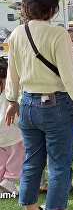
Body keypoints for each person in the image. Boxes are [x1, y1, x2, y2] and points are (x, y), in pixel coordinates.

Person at [4, 0, 73, 210]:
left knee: (32, 160)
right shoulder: (58, 34)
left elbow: (13, 73)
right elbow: (69, 75)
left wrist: (12, 100)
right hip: (56, 106)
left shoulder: (17, 33)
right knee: (59, 164)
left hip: (28, 105)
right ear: (53, 9)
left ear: (26, 7)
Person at [0, 57, 24, 196]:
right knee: (17, 156)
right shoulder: (10, 91)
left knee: (2, 158)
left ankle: (2, 181)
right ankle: (9, 181)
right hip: (12, 132)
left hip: (2, 135)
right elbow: (16, 113)